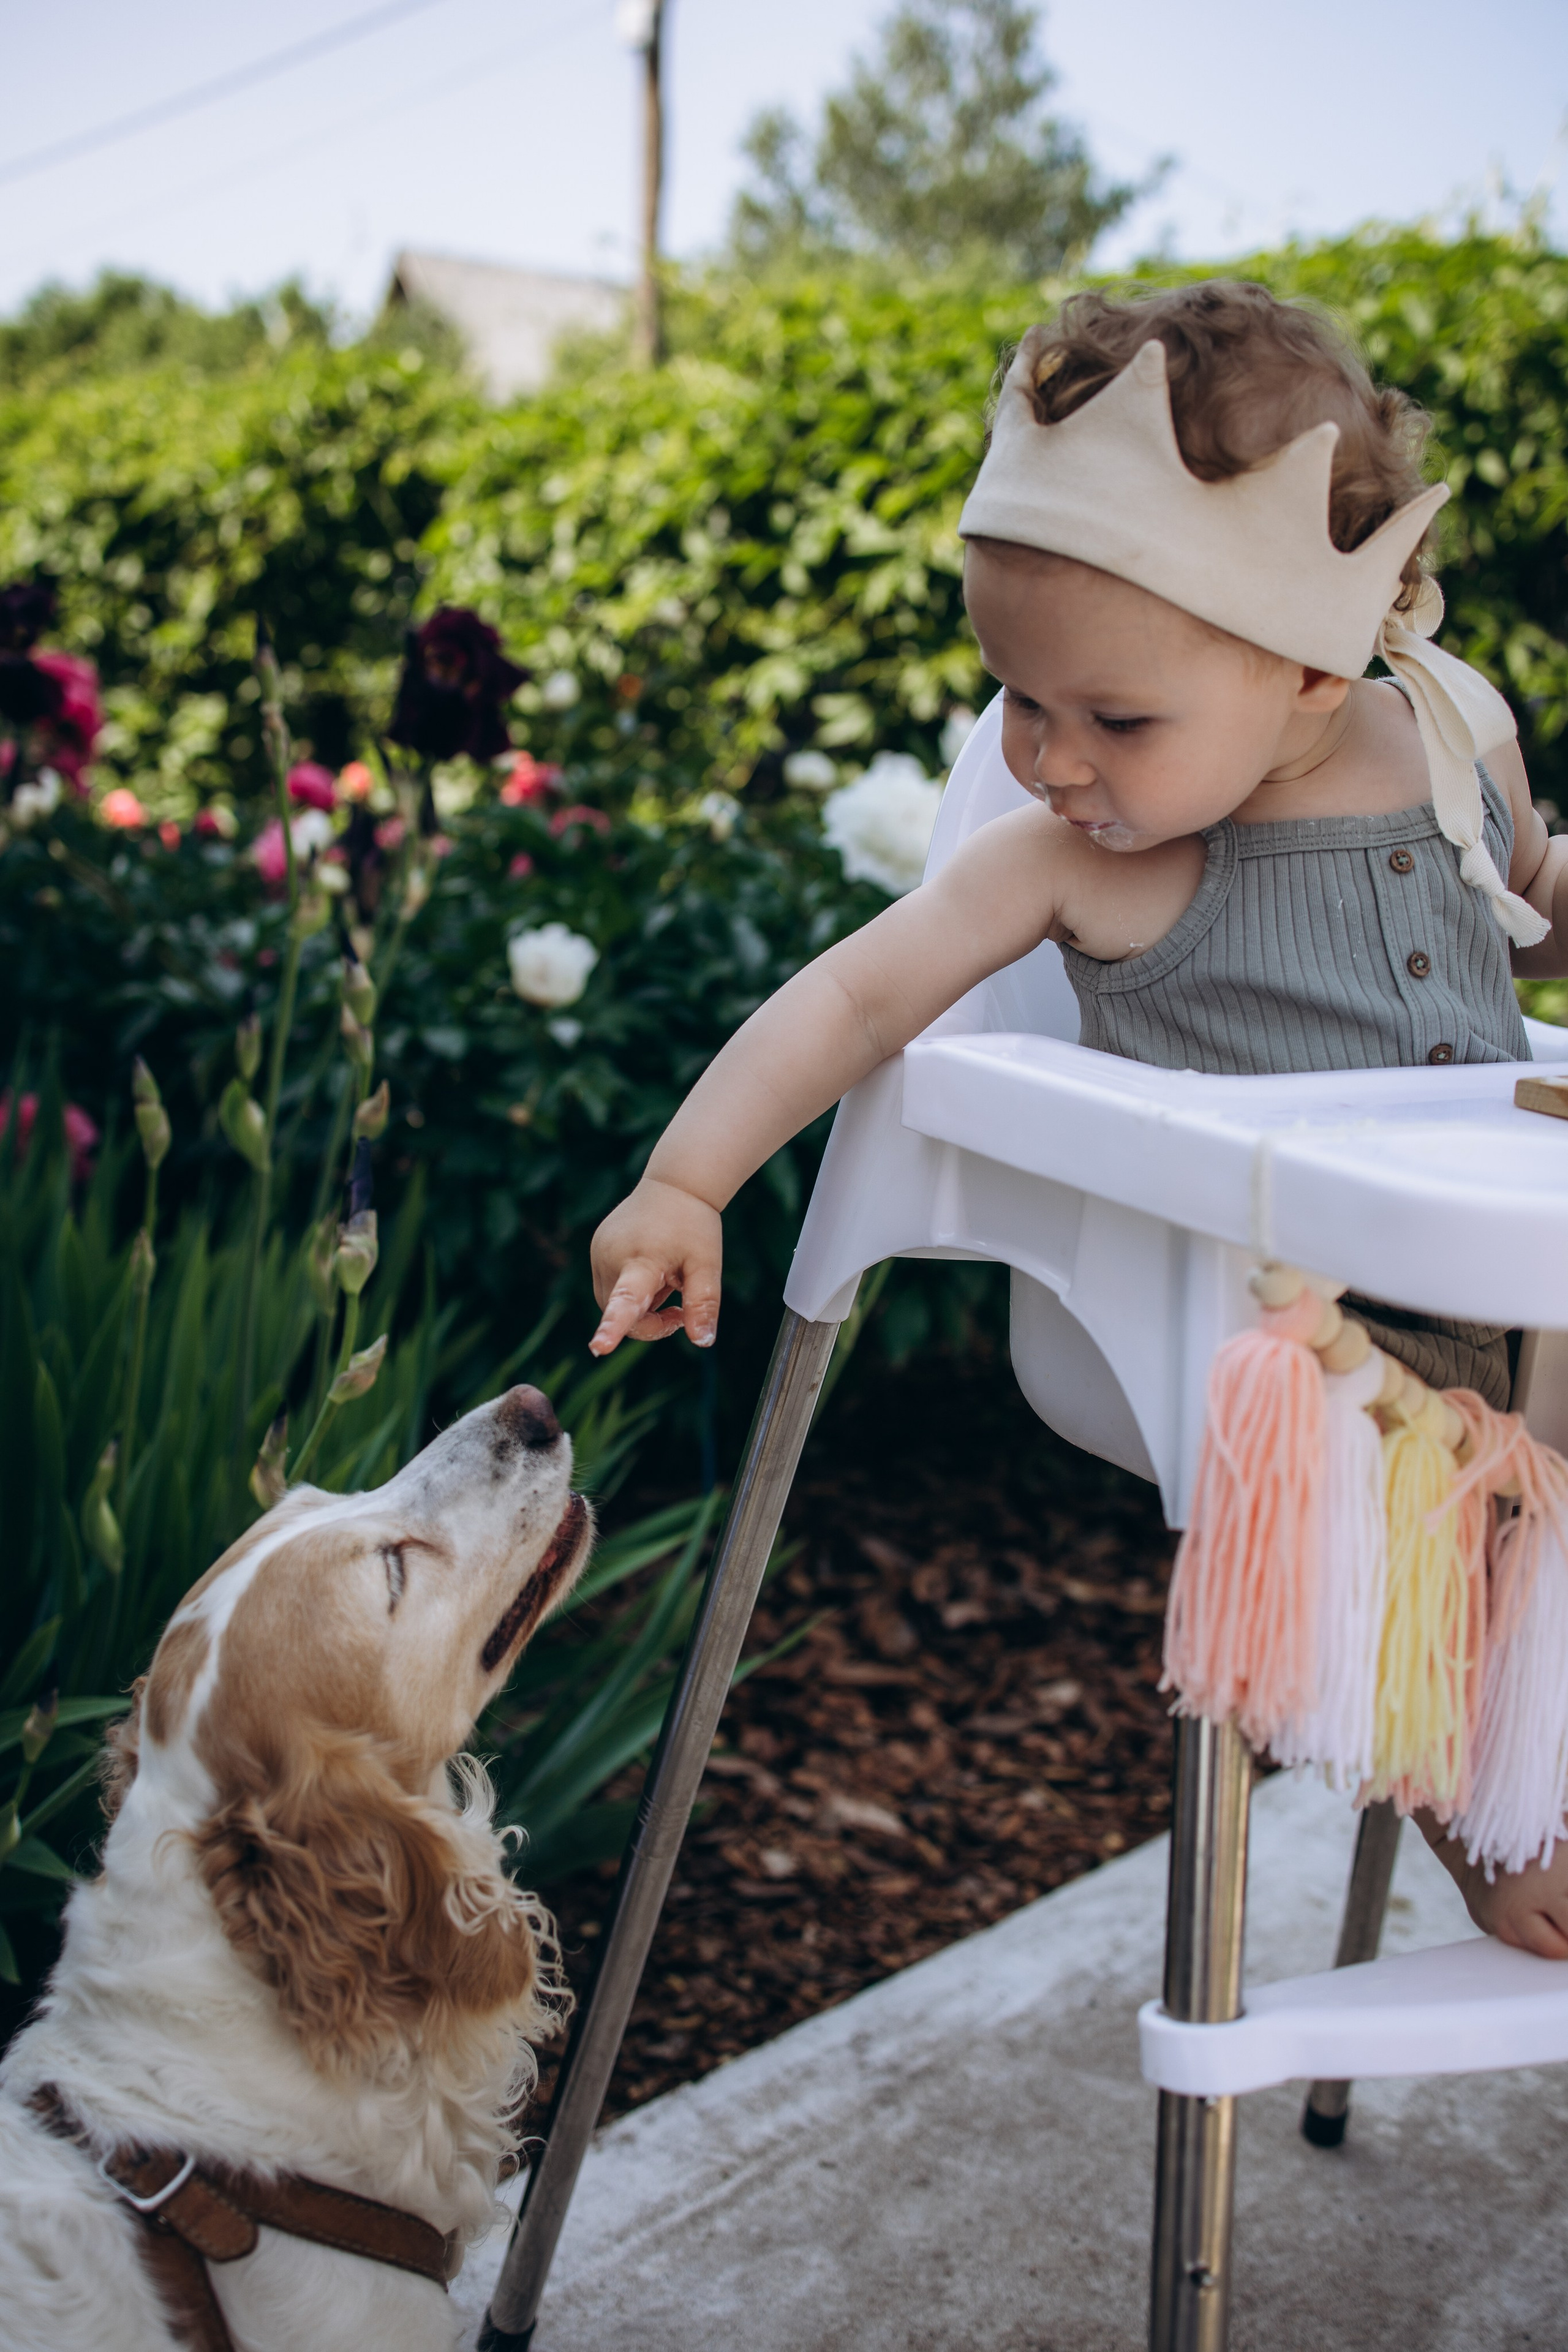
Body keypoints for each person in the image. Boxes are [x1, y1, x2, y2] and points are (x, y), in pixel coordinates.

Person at [587, 278, 1568, 1953]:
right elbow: (854, 998)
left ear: (1319, 675)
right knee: (1445, 1516)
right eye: (1019, 696)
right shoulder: (1074, 866)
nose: (1046, 757)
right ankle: (1497, 1811)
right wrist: (688, 1181)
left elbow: (1534, 903)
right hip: (1301, 1342)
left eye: (1114, 718)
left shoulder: (1451, 727)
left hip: (1520, 1287)